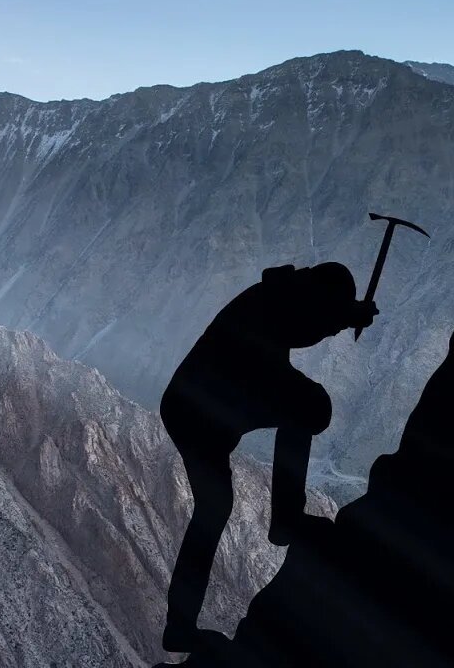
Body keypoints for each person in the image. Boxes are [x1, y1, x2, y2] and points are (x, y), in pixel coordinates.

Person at [159, 261, 377, 654]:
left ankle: (180, 624)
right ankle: (286, 517)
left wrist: (344, 315)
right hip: (200, 411)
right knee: (311, 406)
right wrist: (346, 316)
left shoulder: (277, 296)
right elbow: (303, 324)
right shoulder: (275, 306)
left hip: (195, 408)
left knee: (213, 510)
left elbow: (304, 322)